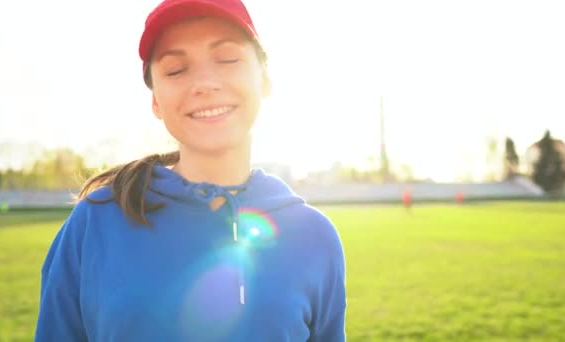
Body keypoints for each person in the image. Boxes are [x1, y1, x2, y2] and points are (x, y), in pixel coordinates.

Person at [34, 0, 347, 341]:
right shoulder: (94, 224)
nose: (205, 83)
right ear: (156, 101)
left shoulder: (314, 237)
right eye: (176, 70)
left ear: (265, 81)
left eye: (228, 59)